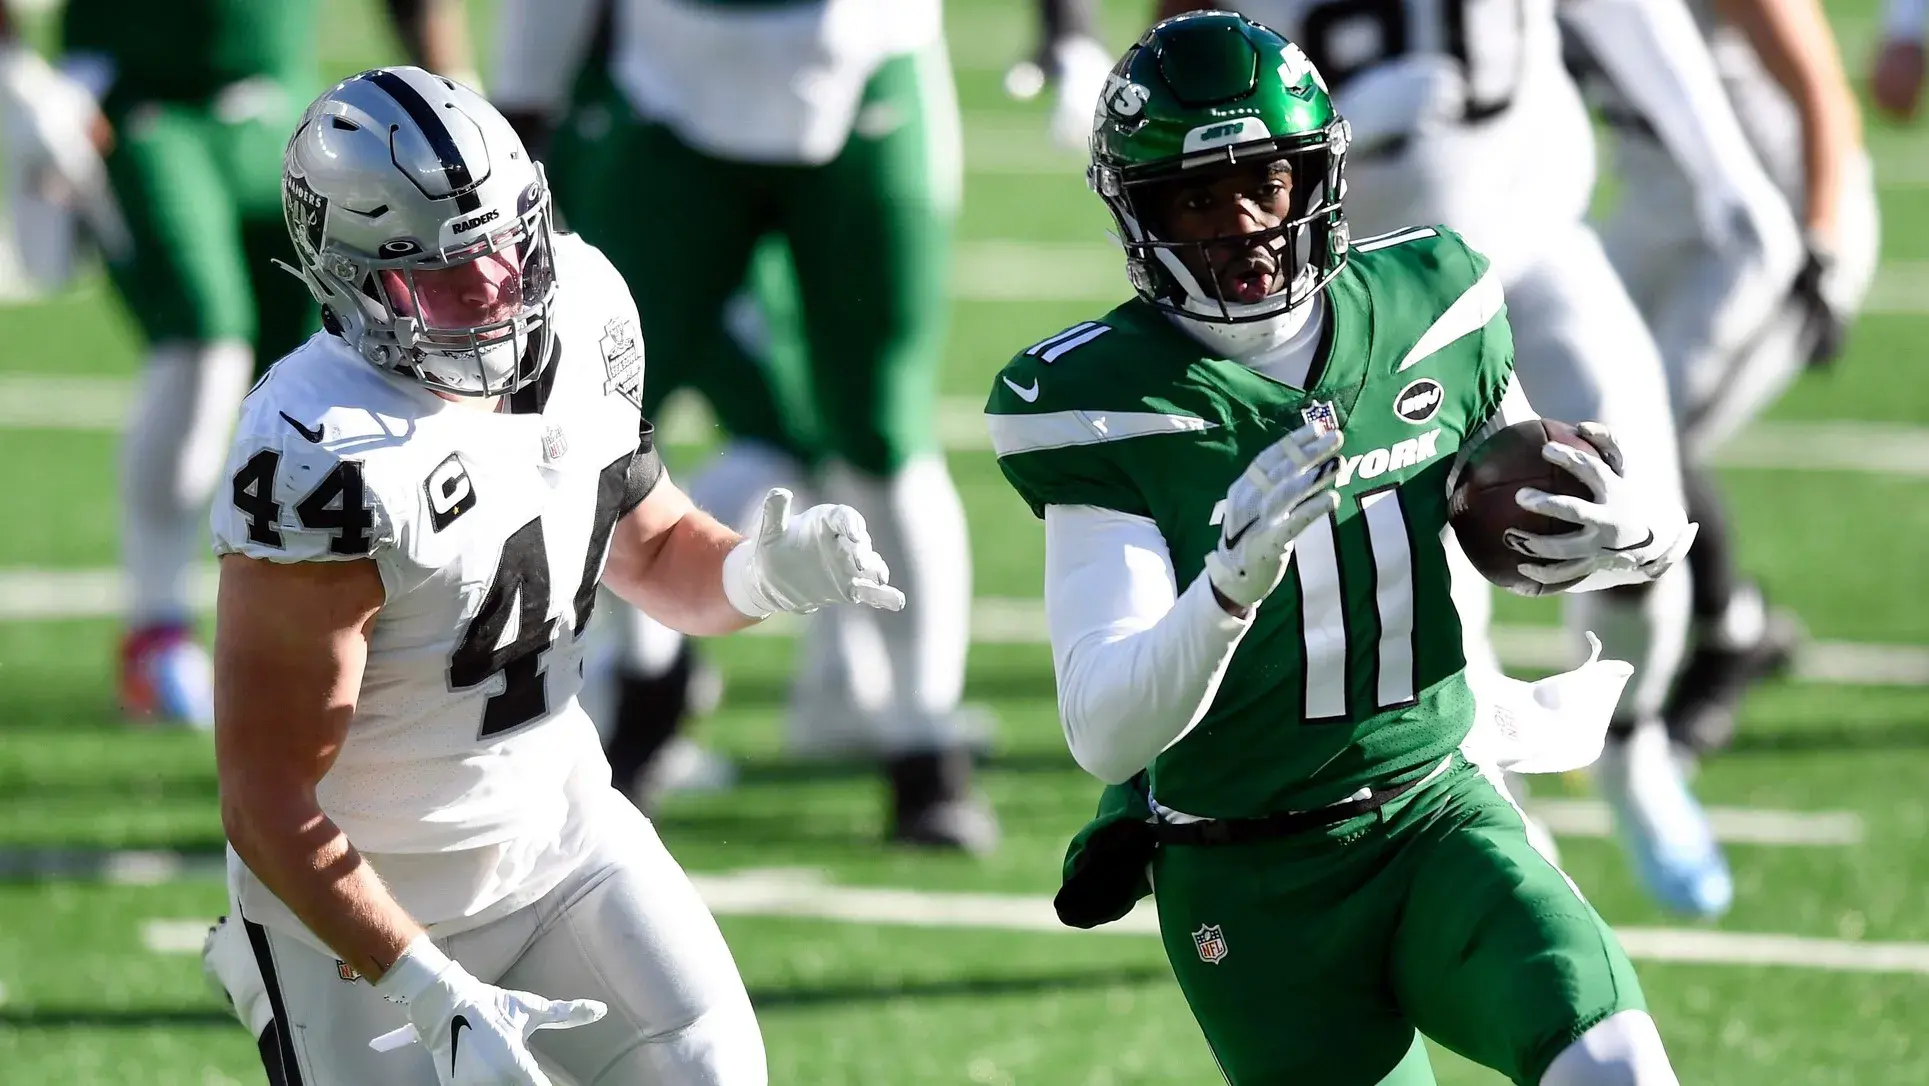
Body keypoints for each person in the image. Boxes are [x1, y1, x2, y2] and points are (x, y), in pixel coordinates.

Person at [988, 16, 1695, 1084]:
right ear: (1138, 211)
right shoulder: (1101, 401)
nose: (1239, 227)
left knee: (1619, 1066)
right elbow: (1103, 727)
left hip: (1435, 810)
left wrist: (1626, 535)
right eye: (1194, 195)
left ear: (1317, 175)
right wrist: (1228, 585)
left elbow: (1547, 502)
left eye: (1263, 183)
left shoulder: (1434, 299)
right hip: (1249, 877)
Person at [199, 67, 904, 1085]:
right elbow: (267, 800)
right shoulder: (321, 453)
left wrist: (761, 573)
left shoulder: (582, 306)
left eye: (502, 246)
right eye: (442, 274)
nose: (493, 289)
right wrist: (429, 990)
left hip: (559, 842)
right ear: (354, 283)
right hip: (358, 923)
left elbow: (655, 553)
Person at [1151, 0, 1756, 917]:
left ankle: (1632, 754)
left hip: (1533, 243)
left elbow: (1627, 12)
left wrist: (1723, 164)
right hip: (1359, 296)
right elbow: (1184, 74)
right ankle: (1495, 822)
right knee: (1415, 588)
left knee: (1628, 514)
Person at [488, 0, 993, 851]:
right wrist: (524, 104)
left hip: (869, 57)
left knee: (881, 425)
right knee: (592, 407)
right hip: (666, 82)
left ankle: (923, 743)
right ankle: (649, 681)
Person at [0, 0, 475, 729]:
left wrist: (452, 85)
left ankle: (315, 628)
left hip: (284, 102)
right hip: (144, 103)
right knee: (203, 337)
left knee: (330, 361)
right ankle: (153, 637)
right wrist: (13, 66)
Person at [1568, 0, 1878, 753]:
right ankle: (1734, 620)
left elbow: (1821, 92)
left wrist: (1824, 242)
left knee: (1644, 440)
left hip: (1764, 224)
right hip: (1653, 211)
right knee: (1572, 418)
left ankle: (1726, 639)